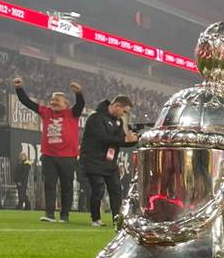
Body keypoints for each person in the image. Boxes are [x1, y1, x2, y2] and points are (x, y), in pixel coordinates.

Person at [13, 76, 84, 223]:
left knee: (66, 187)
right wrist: (19, 89)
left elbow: (80, 105)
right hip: (49, 156)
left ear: (66, 103)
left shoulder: (72, 113)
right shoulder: (46, 112)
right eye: (52, 100)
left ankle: (65, 215)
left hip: (68, 157)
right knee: (49, 185)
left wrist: (78, 93)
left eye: (57, 100)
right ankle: (49, 214)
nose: (53, 102)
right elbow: (27, 103)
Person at [79, 95, 138, 227]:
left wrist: (133, 140)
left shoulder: (118, 122)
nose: (124, 115)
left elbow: (119, 142)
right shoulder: (95, 118)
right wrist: (124, 140)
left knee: (116, 190)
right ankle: (95, 218)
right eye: (124, 112)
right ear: (117, 106)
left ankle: (117, 220)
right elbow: (102, 138)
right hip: (93, 160)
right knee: (98, 190)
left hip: (109, 163)